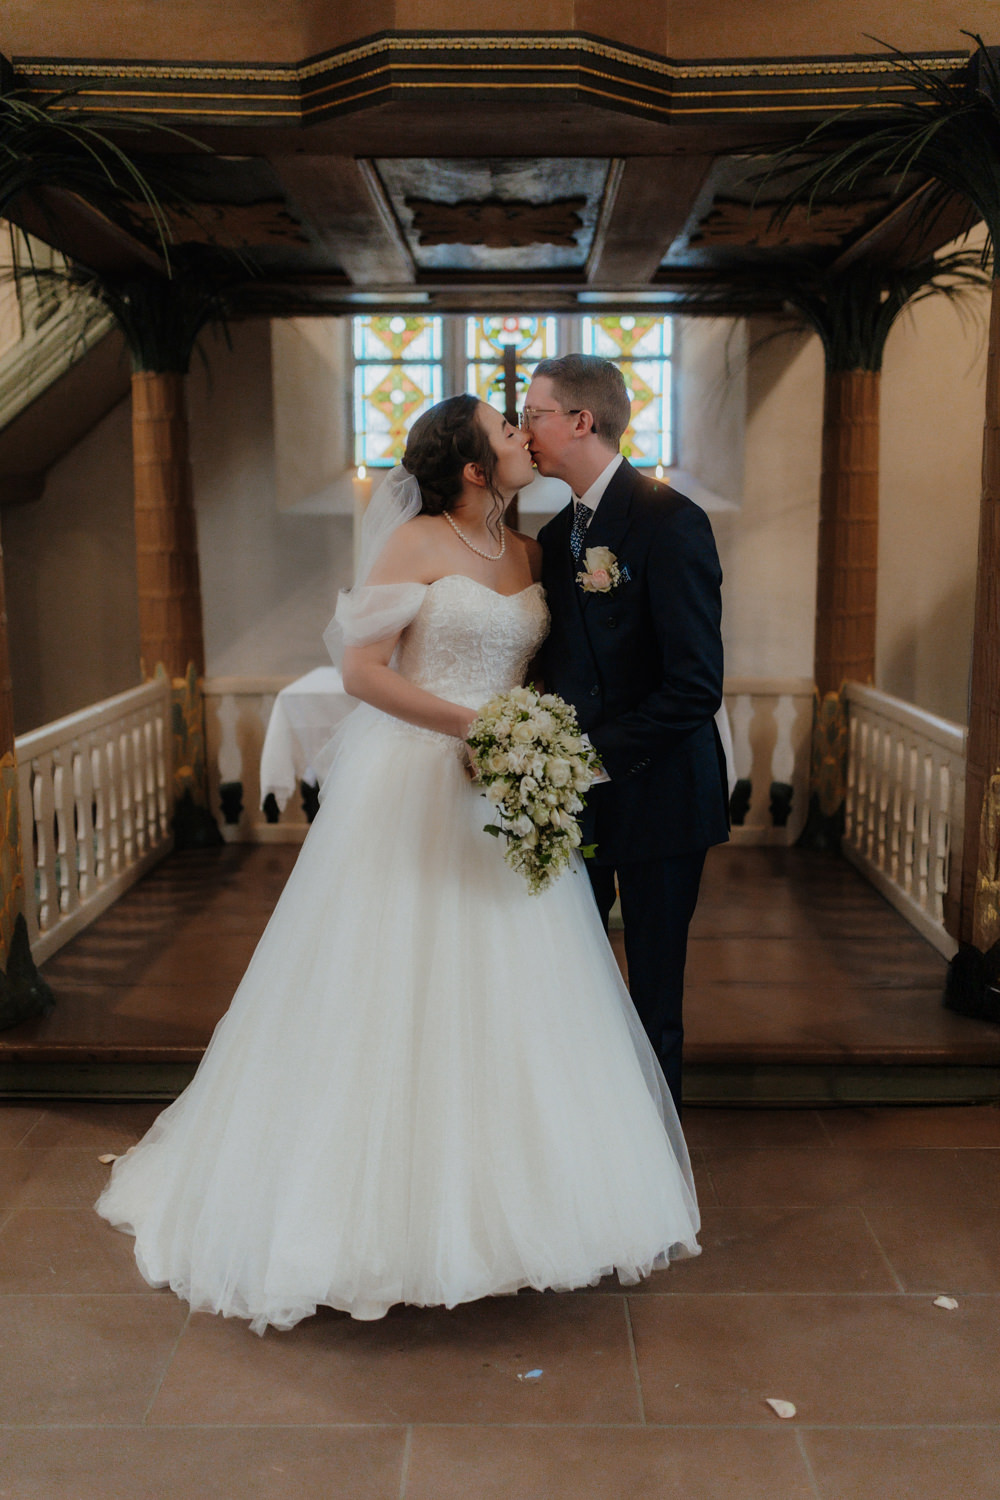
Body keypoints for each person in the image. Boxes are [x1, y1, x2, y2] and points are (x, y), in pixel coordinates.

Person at [96, 393, 699, 1334]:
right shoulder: (415, 543)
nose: (522, 435)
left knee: (518, 992)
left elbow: (550, 666)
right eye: (507, 430)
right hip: (417, 783)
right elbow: (362, 671)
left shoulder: (534, 550)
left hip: (501, 794)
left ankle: (516, 1206)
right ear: (474, 466)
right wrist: (476, 726)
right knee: (392, 979)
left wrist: (529, 740)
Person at [527, 355, 730, 1113]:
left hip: (661, 797)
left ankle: (659, 1158)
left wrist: (585, 757)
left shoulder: (670, 521)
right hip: (574, 805)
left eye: (535, 414)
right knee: (570, 984)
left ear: (582, 420)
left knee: (653, 996)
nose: (523, 430)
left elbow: (695, 687)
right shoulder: (556, 535)